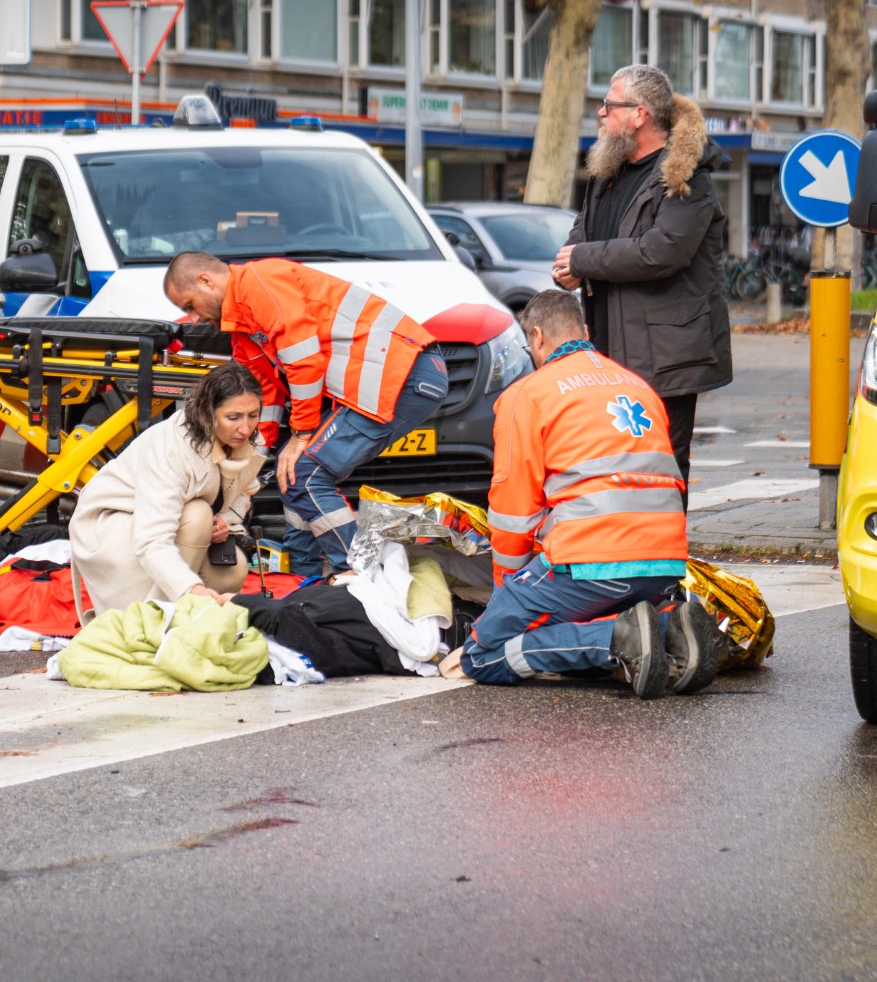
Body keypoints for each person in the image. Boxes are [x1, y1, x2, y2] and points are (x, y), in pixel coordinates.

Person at [457, 291, 722, 699]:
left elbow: (513, 512)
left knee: (483, 654)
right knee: (572, 616)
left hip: (592, 564)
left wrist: (508, 592)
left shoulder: (528, 394)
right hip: (664, 566)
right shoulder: (637, 386)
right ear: (585, 331)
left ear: (538, 338)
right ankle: (669, 628)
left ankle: (618, 640)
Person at [163, 252, 448, 577]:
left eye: (189, 305)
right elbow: (263, 397)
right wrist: (248, 460)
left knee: (305, 471)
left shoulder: (259, 283)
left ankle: (362, 580)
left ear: (205, 281)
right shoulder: (243, 327)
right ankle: (305, 577)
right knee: (293, 472)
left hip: (402, 372)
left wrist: (301, 434)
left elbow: (305, 360)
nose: (193, 318)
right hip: (390, 376)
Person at [550, 63, 732, 490]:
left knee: (661, 464)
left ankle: (664, 555)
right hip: (609, 347)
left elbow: (660, 252)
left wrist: (583, 259)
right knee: (615, 462)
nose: (600, 113)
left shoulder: (688, 178)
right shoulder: (607, 173)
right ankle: (622, 553)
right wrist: (569, 267)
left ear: (639, 114)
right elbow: (583, 234)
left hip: (666, 354)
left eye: (609, 105)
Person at [70, 363, 266, 616]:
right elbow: (151, 540)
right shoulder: (172, 447)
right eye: (233, 417)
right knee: (197, 517)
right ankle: (154, 619)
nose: (246, 428)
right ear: (207, 412)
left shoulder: (246, 439)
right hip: (112, 524)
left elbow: (242, 491)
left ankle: (190, 617)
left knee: (232, 569)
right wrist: (190, 588)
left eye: (253, 414)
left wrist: (224, 521)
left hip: (169, 522)